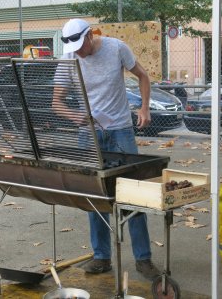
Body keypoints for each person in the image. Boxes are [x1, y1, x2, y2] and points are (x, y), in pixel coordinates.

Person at [52, 18, 160, 280]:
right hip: (88, 134)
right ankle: (101, 257)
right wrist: (75, 115)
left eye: (81, 46)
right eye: (74, 49)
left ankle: (143, 259)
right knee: (94, 197)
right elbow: (57, 102)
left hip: (121, 130)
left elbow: (143, 76)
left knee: (133, 195)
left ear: (90, 35)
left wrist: (144, 107)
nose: (79, 52)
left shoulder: (116, 48)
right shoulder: (69, 58)